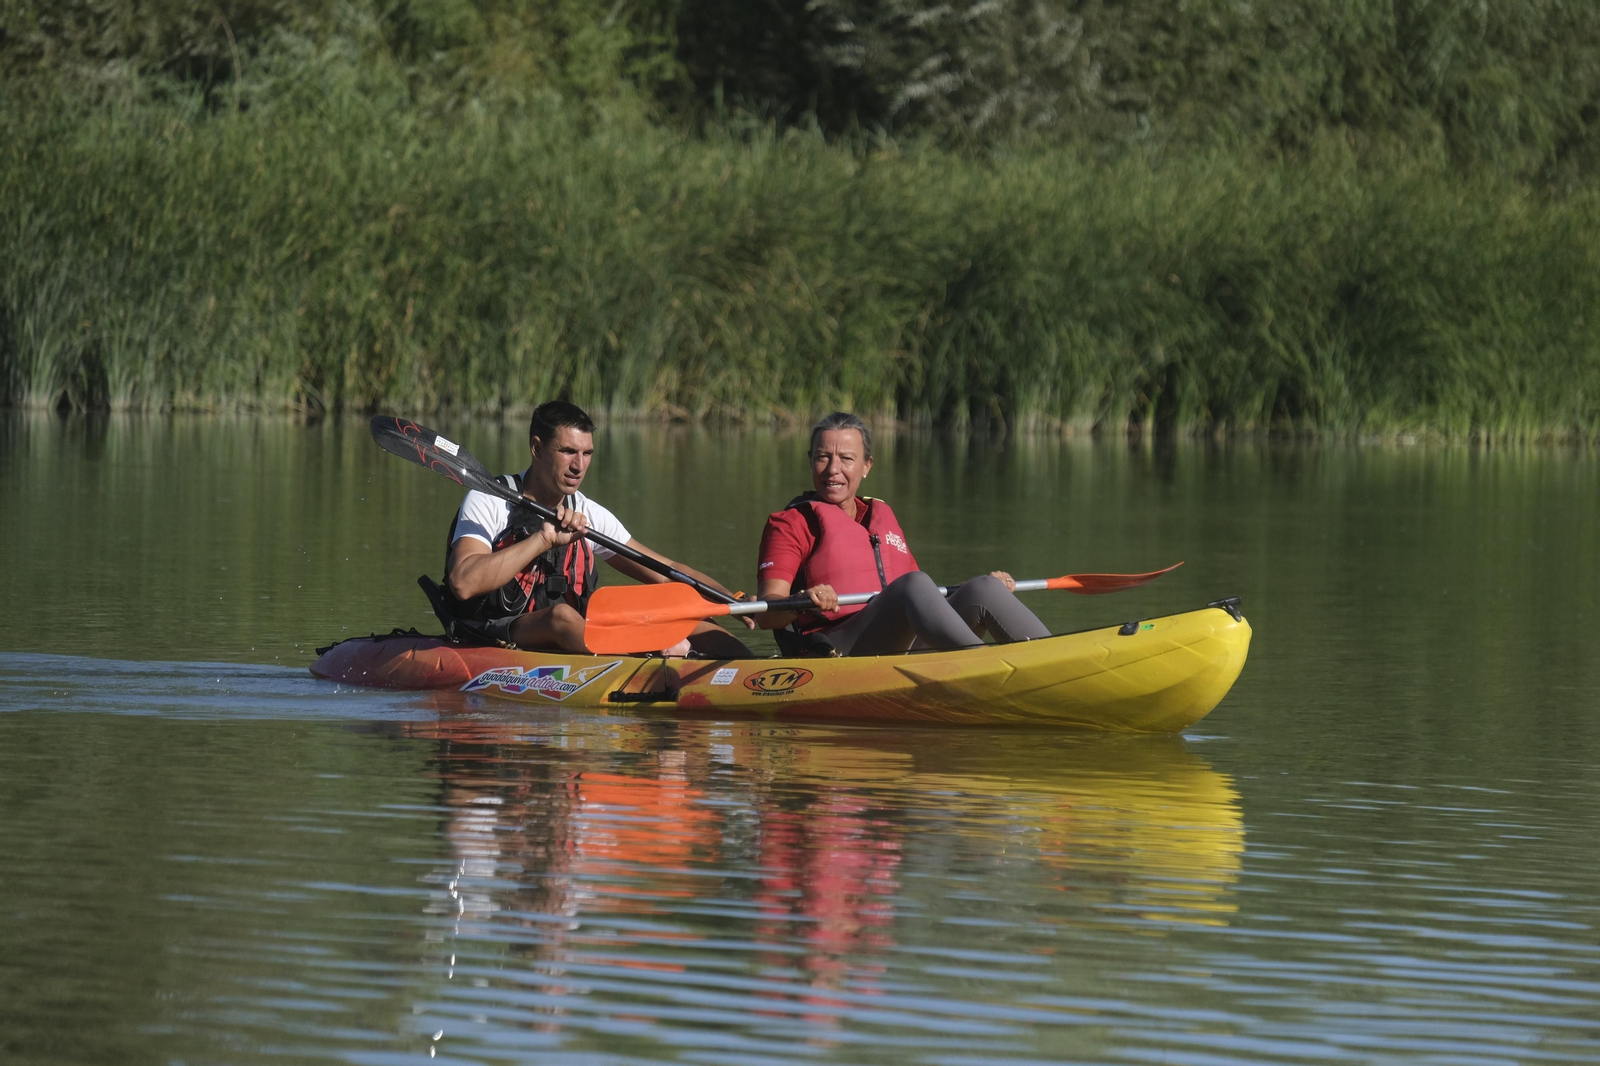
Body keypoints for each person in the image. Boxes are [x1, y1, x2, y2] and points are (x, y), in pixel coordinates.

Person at [427, 400, 752, 657]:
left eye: (586, 454)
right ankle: (640, 660)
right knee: (561, 616)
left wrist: (730, 600)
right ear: (537, 449)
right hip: (490, 628)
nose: (579, 465)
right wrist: (544, 539)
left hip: (573, 628)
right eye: (568, 451)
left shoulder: (586, 511)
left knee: (679, 611)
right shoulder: (490, 500)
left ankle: (757, 674)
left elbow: (666, 572)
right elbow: (463, 583)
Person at [755, 411, 1052, 656]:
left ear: (866, 466)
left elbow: (924, 599)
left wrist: (969, 587)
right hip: (837, 650)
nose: (833, 469)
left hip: (898, 646)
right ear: (811, 461)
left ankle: (1051, 661)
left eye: (846, 458)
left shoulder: (881, 516)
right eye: (823, 457)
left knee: (984, 589)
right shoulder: (791, 523)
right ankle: (985, 668)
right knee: (914, 584)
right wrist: (803, 599)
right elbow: (767, 614)